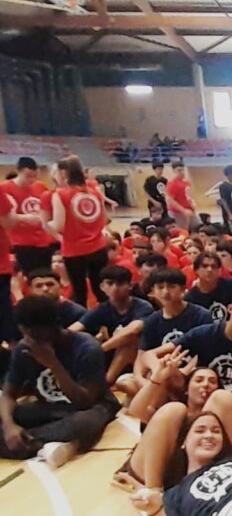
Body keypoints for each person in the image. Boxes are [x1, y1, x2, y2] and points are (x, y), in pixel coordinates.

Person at [0, 296, 121, 465]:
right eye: (27, 333)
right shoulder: (23, 348)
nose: (32, 340)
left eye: (38, 334)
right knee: (6, 414)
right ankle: (40, 444)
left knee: (84, 422)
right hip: (51, 409)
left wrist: (53, 364)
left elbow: (85, 402)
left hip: (93, 407)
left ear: (56, 325)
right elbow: (8, 394)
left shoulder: (87, 348)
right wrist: (9, 426)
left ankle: (26, 443)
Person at [69, 265, 154, 386]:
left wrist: (99, 349)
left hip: (141, 356)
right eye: (110, 283)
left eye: (120, 284)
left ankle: (105, 383)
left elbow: (132, 330)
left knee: (128, 342)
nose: (115, 288)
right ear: (102, 287)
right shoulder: (102, 309)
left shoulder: (143, 306)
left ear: (130, 286)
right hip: (111, 353)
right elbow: (74, 329)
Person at [50, 155, 108, 306]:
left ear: (63, 173)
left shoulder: (60, 194)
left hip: (74, 251)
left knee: (79, 293)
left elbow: (58, 225)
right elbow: (104, 219)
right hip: (99, 248)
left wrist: (44, 223)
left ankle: (82, 320)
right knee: (102, 291)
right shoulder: (94, 192)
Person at [4, 156, 57, 275]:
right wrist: (23, 218)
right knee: (26, 276)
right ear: (18, 171)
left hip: (43, 241)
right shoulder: (5, 188)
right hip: (20, 242)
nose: (32, 180)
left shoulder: (40, 186)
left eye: (34, 176)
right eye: (28, 176)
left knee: (45, 275)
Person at [165, 161, 196, 231]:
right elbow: (169, 200)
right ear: (174, 171)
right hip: (178, 212)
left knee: (196, 227)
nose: (182, 172)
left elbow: (188, 196)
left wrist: (192, 203)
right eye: (179, 170)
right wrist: (183, 210)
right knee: (183, 231)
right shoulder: (172, 183)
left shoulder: (186, 182)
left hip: (189, 210)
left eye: (183, 170)